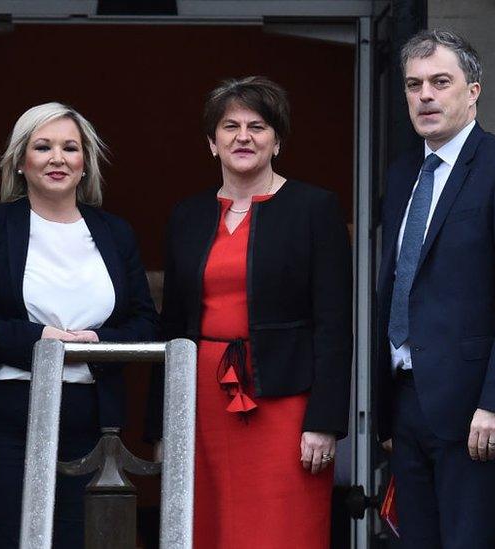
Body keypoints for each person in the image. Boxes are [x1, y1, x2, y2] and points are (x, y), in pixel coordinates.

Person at [0, 102, 158, 549]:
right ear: (22, 161)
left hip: (93, 420)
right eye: (43, 147)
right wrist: (40, 339)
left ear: (85, 164)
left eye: (69, 148)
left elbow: (145, 322)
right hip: (8, 415)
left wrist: (96, 342)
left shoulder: (115, 233)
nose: (57, 158)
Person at [148, 77, 352, 548]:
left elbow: (334, 325)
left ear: (277, 140)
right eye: (230, 126)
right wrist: (161, 425)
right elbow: (172, 325)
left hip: (285, 399)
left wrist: (324, 420)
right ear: (211, 142)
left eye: (258, 126)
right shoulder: (187, 215)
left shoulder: (314, 208)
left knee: (283, 526)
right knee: (205, 525)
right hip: (200, 397)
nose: (244, 137)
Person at [376, 29, 495, 548]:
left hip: (478, 408)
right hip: (409, 402)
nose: (425, 96)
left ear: (472, 90)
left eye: (440, 82)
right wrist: (388, 409)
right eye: (414, 85)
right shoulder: (404, 174)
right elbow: (397, 285)